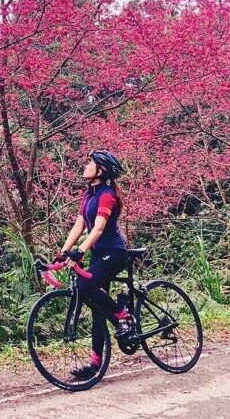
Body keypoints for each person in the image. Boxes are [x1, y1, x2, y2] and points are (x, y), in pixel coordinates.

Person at [57, 149, 133, 380]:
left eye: (90, 162)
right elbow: (79, 226)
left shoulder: (107, 195)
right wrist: (62, 253)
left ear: (101, 170)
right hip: (98, 255)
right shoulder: (89, 194)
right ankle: (94, 363)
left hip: (114, 253)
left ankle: (122, 314)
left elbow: (98, 229)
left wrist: (80, 251)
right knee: (97, 308)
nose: (85, 165)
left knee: (84, 286)